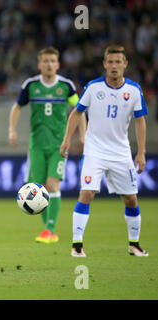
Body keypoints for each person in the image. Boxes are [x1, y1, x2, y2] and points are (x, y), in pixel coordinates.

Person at [60, 45, 148, 257]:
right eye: (110, 62)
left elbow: (140, 121)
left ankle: (134, 244)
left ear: (125, 64)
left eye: (118, 62)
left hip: (120, 152)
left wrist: (141, 151)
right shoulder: (93, 87)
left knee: (131, 199)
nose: (114, 66)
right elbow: (76, 113)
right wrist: (66, 140)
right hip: (94, 151)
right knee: (86, 193)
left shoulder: (134, 90)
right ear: (104, 64)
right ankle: (77, 245)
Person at [8, 47, 86, 244]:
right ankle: (48, 230)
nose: (49, 64)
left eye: (52, 61)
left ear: (58, 64)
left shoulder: (66, 86)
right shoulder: (31, 85)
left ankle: (50, 230)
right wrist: (12, 129)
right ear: (39, 64)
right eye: (45, 61)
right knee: (39, 187)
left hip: (59, 145)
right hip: (36, 145)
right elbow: (17, 107)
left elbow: (79, 110)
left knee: (53, 184)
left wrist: (83, 135)